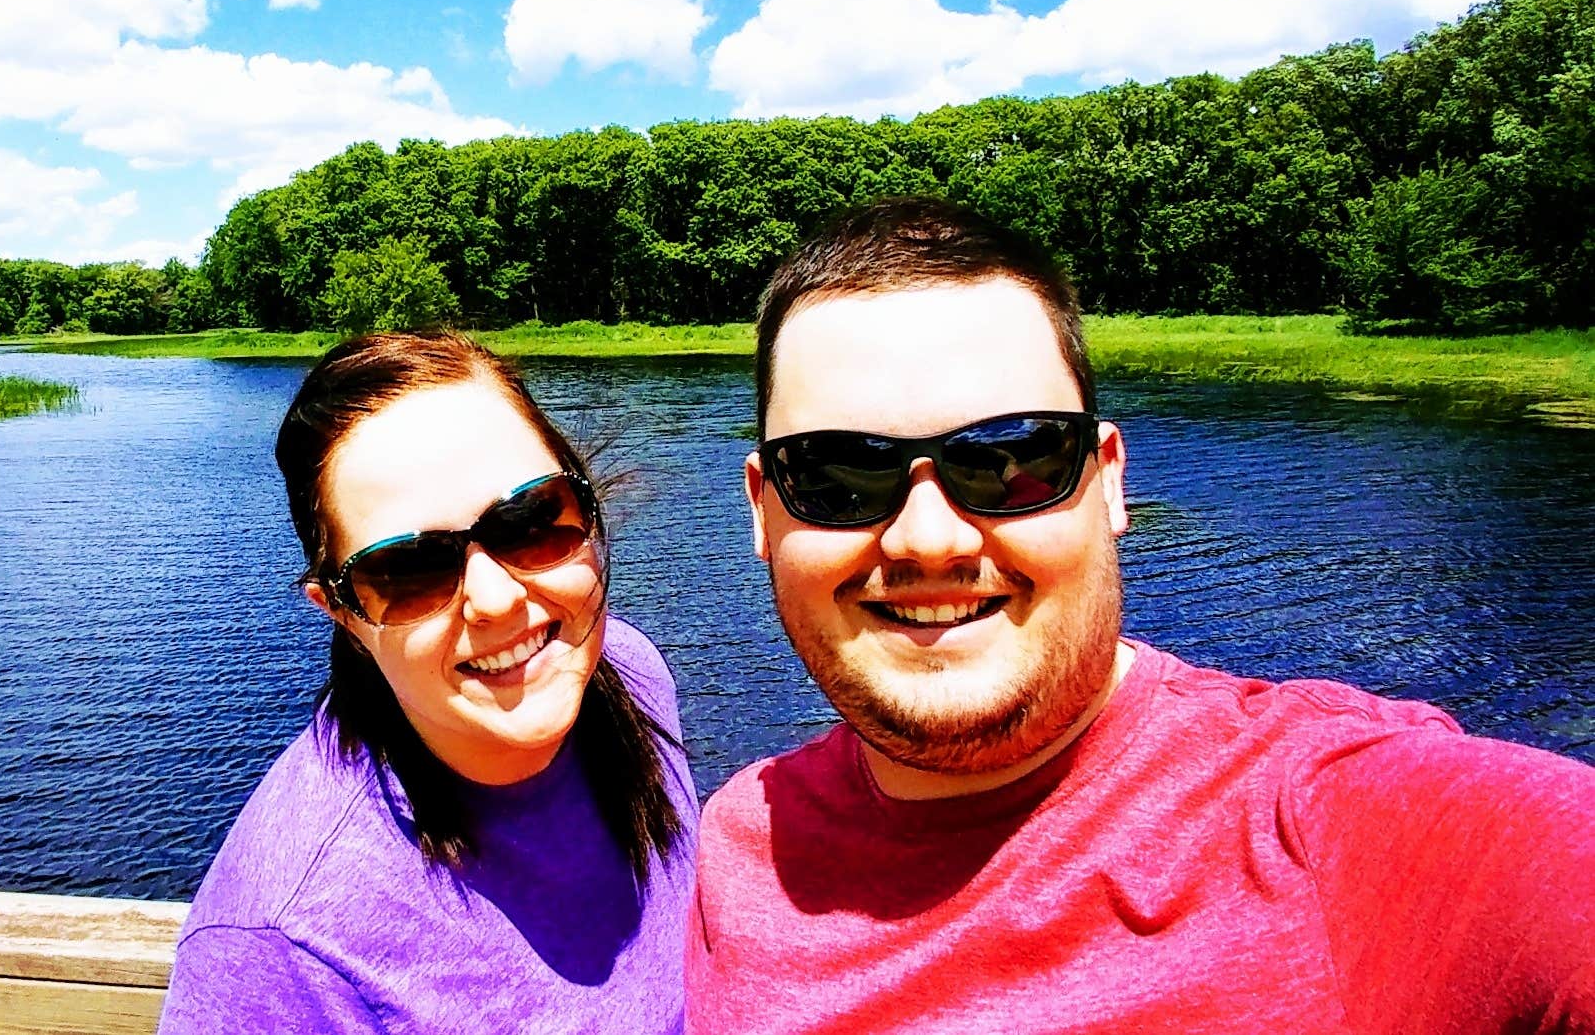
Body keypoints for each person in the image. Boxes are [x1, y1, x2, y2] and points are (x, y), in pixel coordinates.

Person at [687, 196, 1595, 1033]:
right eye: (837, 476)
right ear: (764, 510)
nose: (929, 539)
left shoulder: (1335, 819)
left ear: (1110, 481)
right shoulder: (738, 843)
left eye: (1012, 458)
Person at [160, 331, 695, 1033]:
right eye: (410, 570)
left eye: (531, 521)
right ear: (343, 614)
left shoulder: (629, 670)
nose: (495, 598)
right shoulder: (278, 953)